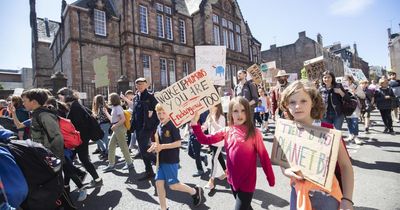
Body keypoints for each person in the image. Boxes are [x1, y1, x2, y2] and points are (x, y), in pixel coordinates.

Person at [279, 80, 355, 210]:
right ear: (286, 105)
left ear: (313, 102)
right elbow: (283, 162)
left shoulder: (328, 130)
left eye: (303, 101)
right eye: (292, 102)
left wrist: (347, 199)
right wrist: (286, 171)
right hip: (298, 194)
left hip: (327, 197)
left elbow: (345, 166)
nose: (297, 106)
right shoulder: (285, 131)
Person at [190, 97, 275, 210]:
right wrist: (195, 124)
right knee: (246, 207)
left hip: (247, 182)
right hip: (232, 180)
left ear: (248, 112)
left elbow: (264, 157)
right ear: (230, 113)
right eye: (235, 111)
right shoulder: (226, 131)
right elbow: (205, 140)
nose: (239, 114)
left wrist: (270, 177)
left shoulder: (255, 133)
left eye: (243, 110)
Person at [148, 104, 203, 210]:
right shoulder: (159, 125)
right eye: (159, 113)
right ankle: (163, 208)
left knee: (173, 185)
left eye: (163, 112)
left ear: (169, 113)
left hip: (170, 160)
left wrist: (162, 146)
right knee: (159, 184)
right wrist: (154, 146)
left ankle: (195, 191)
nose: (161, 115)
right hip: (161, 160)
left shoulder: (172, 125)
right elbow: (159, 142)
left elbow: (178, 143)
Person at [57, 87, 103, 187]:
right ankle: (68, 184)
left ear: (66, 96)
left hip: (80, 139)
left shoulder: (75, 107)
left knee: (83, 159)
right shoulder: (75, 105)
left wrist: (75, 139)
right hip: (80, 138)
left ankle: (97, 179)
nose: (59, 99)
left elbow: (79, 125)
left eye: (60, 96)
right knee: (69, 161)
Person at [21, 89, 64, 161]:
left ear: (34, 102)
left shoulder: (44, 115)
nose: (23, 104)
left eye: (24, 101)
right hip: (41, 156)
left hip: (49, 159)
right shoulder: (36, 114)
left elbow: (57, 139)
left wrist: (55, 160)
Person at [131, 78, 159, 180]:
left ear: (146, 85)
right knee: (143, 151)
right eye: (137, 84)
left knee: (145, 150)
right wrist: (131, 126)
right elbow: (134, 113)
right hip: (138, 128)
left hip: (147, 128)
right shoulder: (136, 98)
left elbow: (158, 111)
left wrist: (153, 125)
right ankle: (149, 171)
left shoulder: (151, 97)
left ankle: (160, 164)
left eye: (142, 84)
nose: (139, 86)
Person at [103, 93, 134, 172]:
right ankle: (111, 164)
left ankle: (129, 163)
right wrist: (106, 112)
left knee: (123, 146)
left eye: (109, 98)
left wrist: (115, 125)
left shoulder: (118, 107)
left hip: (119, 128)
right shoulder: (114, 107)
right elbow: (112, 120)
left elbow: (123, 119)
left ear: (112, 99)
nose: (108, 100)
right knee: (111, 145)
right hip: (117, 128)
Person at [202, 104, 227, 190]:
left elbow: (221, 130)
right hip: (211, 141)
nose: (209, 107)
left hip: (218, 142)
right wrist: (202, 128)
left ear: (217, 106)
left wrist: (213, 122)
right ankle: (227, 172)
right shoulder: (210, 115)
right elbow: (205, 125)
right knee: (219, 157)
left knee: (214, 159)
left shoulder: (221, 117)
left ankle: (211, 180)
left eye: (211, 106)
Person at [342, 75, 365, 144]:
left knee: (354, 121)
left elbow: (363, 96)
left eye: (346, 80)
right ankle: (350, 135)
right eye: (343, 80)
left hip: (354, 107)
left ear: (351, 80)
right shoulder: (342, 87)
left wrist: (355, 92)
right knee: (349, 122)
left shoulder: (356, 87)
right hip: (346, 107)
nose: (345, 82)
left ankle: (356, 137)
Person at [92, 94, 111, 159]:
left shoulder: (100, 107)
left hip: (104, 124)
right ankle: (105, 151)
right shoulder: (103, 106)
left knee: (104, 138)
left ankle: (107, 152)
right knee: (103, 138)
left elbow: (99, 116)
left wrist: (94, 116)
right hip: (105, 124)